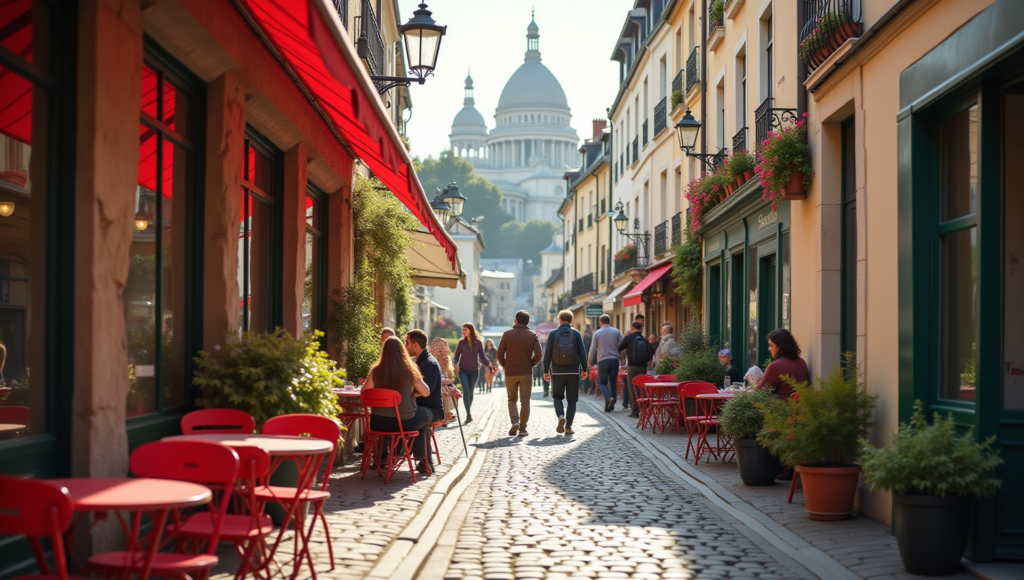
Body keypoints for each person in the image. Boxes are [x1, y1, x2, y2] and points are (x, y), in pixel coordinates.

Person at [362, 337, 433, 472]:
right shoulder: (410, 370)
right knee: (426, 415)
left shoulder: (375, 371)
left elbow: (364, 392)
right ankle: (422, 460)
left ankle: (382, 457)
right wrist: (413, 392)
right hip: (404, 423)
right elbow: (426, 392)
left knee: (388, 417)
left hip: (378, 423)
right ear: (402, 351)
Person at [496, 310, 542, 437]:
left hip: (510, 372)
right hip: (526, 372)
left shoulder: (507, 334)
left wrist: (505, 365)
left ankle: (514, 420)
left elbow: (499, 354)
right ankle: (522, 428)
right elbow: (539, 354)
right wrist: (531, 364)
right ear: (528, 322)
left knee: (512, 399)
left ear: (515, 321)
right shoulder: (532, 335)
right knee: (525, 401)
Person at [543, 310, 588, 435]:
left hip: (557, 371)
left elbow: (547, 353)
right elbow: (582, 353)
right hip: (573, 371)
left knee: (557, 397)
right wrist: (584, 369)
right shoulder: (576, 333)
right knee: (572, 400)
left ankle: (561, 416)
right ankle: (568, 426)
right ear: (572, 320)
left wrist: (546, 370)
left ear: (559, 320)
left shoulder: (553, 334)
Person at [405, 329, 443, 473]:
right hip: (420, 407)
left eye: (407, 343)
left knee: (415, 417)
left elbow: (426, 392)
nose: (405, 346)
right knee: (410, 415)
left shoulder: (429, 364)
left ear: (415, 345)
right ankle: (422, 461)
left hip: (433, 410)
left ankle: (425, 461)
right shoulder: (420, 362)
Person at [755, 328, 810, 400]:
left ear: (780, 347)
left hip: (780, 408)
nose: (769, 349)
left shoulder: (776, 366)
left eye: (771, 345)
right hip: (801, 408)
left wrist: (752, 382)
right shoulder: (802, 362)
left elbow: (759, 392)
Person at [453, 322, 489, 424]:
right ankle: (468, 414)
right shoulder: (461, 343)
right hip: (463, 370)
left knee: (471, 393)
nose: (464, 331)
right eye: (463, 330)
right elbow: (456, 356)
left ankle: (468, 412)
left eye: (466, 329)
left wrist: (489, 364)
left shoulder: (478, 343)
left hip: (474, 371)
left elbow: (482, 356)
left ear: (471, 330)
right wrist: (455, 363)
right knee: (466, 391)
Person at [619, 321, 654, 419]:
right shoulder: (644, 340)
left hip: (632, 367)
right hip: (643, 367)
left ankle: (635, 411)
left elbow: (620, 348)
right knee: (641, 388)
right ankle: (643, 408)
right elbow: (650, 355)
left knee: (632, 388)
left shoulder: (628, 338)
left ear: (632, 327)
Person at [589, 314, 623, 413]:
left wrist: (590, 360)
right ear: (610, 321)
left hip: (603, 361)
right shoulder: (616, 331)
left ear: (600, 323)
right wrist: (619, 353)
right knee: (613, 382)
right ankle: (610, 405)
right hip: (614, 360)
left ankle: (609, 398)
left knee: (602, 383)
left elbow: (592, 348)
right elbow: (622, 344)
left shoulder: (597, 333)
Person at [581, 327, 593, 394]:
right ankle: (589, 388)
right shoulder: (591, 340)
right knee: (590, 376)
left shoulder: (582, 339)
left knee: (584, 374)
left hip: (583, 359)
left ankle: (584, 389)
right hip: (589, 359)